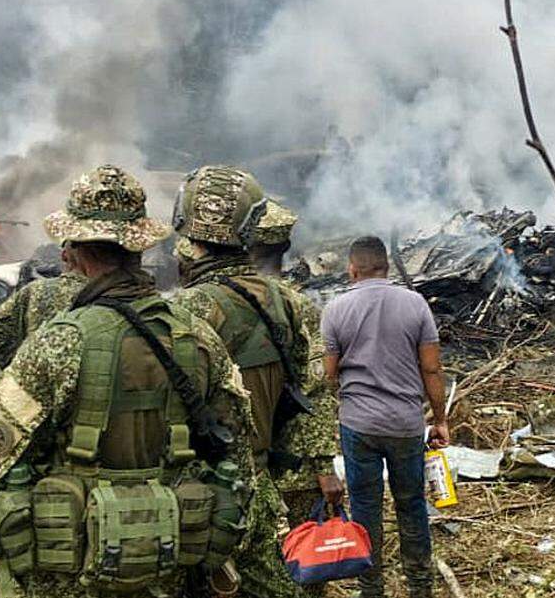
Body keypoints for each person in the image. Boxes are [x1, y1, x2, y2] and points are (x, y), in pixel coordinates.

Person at [0, 165, 257, 598]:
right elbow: (239, 457)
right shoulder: (198, 338)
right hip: (169, 567)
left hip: (69, 572)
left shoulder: (58, 342)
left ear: (73, 253)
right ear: (141, 249)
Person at [171, 167, 341, 598]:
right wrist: (322, 466)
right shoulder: (287, 301)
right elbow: (315, 389)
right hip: (265, 481)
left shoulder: (180, 312)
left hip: (196, 496)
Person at [321, 236, 448, 598]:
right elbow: (432, 369)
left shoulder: (336, 309)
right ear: (387, 267)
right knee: (411, 504)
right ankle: (420, 587)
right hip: (405, 425)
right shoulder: (415, 304)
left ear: (352, 269)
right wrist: (439, 419)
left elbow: (329, 375)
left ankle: (370, 588)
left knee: (364, 507)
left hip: (358, 426)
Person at [250, 201, 339, 553]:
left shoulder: (219, 303)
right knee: (305, 560)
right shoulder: (297, 306)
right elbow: (316, 386)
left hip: (240, 469)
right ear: (285, 247)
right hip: (295, 465)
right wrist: (323, 464)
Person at [0, 243, 86, 369]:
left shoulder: (37, 290)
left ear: (64, 256)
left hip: (39, 379)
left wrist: (19, 367)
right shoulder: (109, 292)